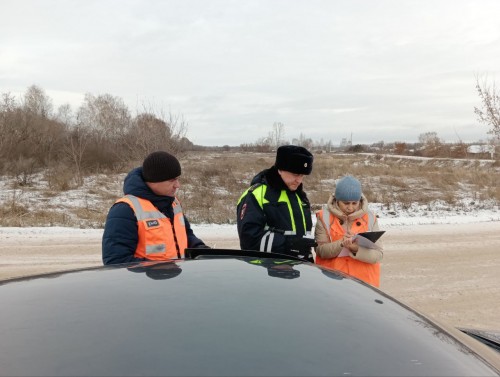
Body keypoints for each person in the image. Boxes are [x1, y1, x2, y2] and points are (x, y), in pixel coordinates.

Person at [102, 151, 207, 265]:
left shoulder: (173, 202)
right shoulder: (125, 210)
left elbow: (185, 234)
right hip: (145, 282)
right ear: (153, 181)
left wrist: (199, 248)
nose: (177, 185)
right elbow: (115, 261)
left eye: (177, 179)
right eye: (171, 180)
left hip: (176, 278)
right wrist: (158, 270)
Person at [237, 145, 317, 260]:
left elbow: (304, 240)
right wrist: (289, 245)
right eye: (295, 174)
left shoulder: (300, 196)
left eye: (302, 175)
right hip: (267, 272)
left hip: (300, 269)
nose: (299, 180)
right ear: (280, 169)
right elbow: (249, 240)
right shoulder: (256, 195)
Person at [314, 175, 383, 287]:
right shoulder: (324, 217)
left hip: (365, 285)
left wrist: (356, 249)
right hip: (333, 284)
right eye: (346, 203)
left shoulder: (370, 218)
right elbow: (321, 251)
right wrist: (341, 244)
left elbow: (378, 255)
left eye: (354, 203)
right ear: (337, 200)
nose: (350, 208)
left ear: (359, 200)